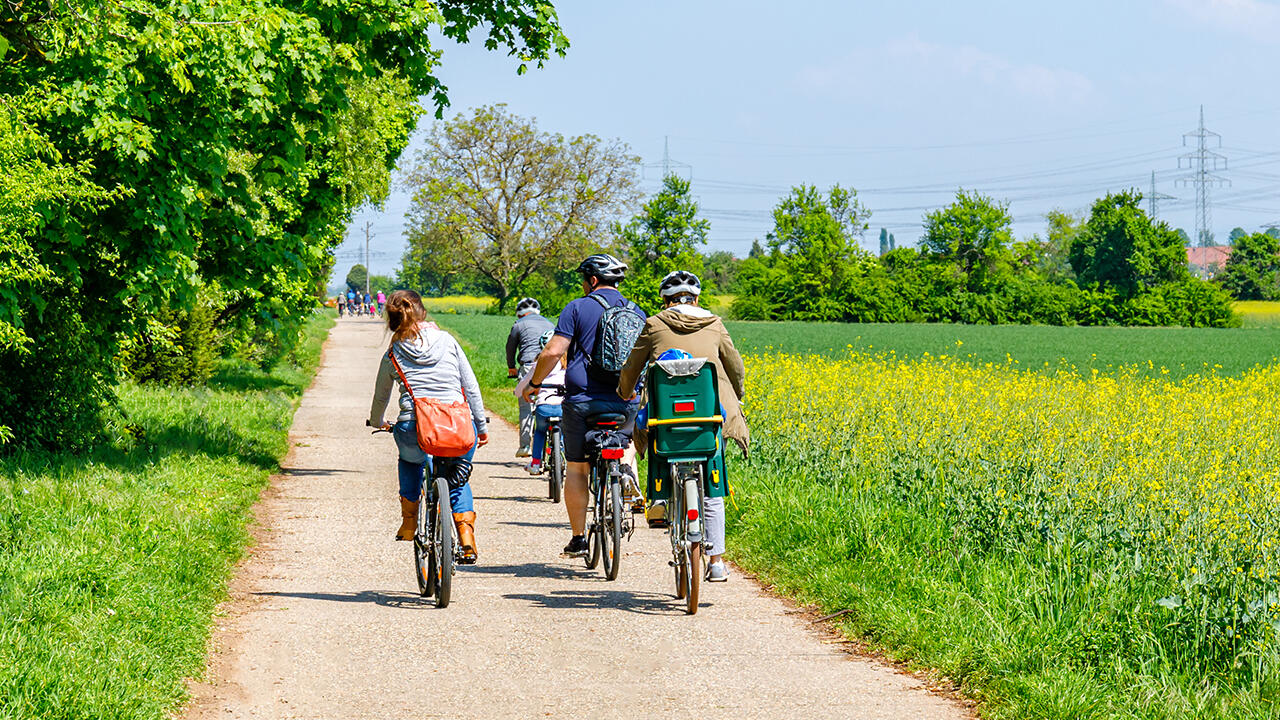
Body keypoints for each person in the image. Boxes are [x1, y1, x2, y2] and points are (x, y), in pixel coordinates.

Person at [617, 270, 748, 582]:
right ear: (697, 298)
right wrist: (737, 395)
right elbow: (736, 367)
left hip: (667, 419)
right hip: (711, 418)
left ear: (665, 300)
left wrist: (624, 392)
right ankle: (716, 561)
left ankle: (660, 499)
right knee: (713, 483)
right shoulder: (714, 323)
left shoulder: (653, 324)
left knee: (658, 438)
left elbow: (632, 368)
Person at [524, 254, 645, 558]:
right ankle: (625, 473)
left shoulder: (576, 307)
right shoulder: (636, 311)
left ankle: (578, 538)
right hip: (627, 401)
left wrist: (535, 383)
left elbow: (554, 351)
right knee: (625, 441)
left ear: (592, 281)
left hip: (583, 401)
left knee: (577, 467)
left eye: (583, 280)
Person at [369, 290, 489, 563]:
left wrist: (378, 422)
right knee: (459, 476)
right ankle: (467, 538)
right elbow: (470, 387)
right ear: (422, 310)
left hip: (413, 426)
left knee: (411, 462)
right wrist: (480, 426)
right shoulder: (447, 341)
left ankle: (410, 523)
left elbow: (381, 395)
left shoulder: (394, 350)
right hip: (457, 425)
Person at [506, 297, 554, 457]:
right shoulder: (549, 323)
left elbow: (510, 348)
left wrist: (511, 367)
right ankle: (555, 445)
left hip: (528, 366)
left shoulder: (518, 324)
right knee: (550, 401)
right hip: (549, 366)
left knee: (526, 407)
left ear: (520, 313)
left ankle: (525, 446)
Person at [513, 330, 566, 475]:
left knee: (540, 431)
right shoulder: (567, 365)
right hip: (562, 407)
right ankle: (562, 456)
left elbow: (522, 386)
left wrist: (518, 392)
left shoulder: (537, 365)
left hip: (544, 407)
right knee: (564, 429)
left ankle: (536, 463)